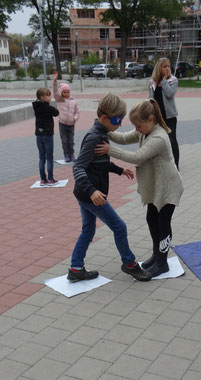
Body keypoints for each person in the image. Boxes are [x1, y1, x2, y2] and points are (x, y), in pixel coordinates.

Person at [95, 98, 184, 278]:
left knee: (163, 223)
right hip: (155, 187)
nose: (136, 129)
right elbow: (124, 137)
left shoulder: (158, 137)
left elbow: (137, 157)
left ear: (150, 120)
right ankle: (156, 255)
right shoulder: (144, 131)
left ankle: (163, 262)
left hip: (168, 188)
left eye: (138, 126)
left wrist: (109, 150)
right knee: (152, 219)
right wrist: (104, 128)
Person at [68, 93, 152, 283]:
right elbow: (78, 167)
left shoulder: (102, 134)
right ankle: (130, 264)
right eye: (117, 120)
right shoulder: (94, 137)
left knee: (88, 230)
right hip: (91, 194)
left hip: (86, 193)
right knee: (119, 226)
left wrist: (119, 170)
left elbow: (99, 162)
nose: (120, 124)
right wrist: (92, 191)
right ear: (104, 118)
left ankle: (76, 268)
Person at [149, 58, 180, 169]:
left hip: (169, 117)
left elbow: (170, 94)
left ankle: (175, 165)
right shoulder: (152, 82)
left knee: (172, 140)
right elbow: (150, 99)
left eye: (168, 66)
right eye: (164, 66)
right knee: (157, 140)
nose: (167, 68)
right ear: (159, 68)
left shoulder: (173, 80)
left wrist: (164, 81)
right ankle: (159, 163)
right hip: (157, 117)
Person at [32, 87, 59, 184]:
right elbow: (56, 112)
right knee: (49, 157)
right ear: (42, 97)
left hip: (39, 135)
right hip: (47, 134)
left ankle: (43, 179)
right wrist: (48, 105)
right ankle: (51, 177)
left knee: (41, 157)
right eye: (48, 95)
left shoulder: (35, 106)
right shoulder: (47, 107)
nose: (50, 97)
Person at [52, 71, 80, 163]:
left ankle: (71, 154)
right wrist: (55, 81)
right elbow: (55, 91)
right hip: (62, 124)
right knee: (64, 141)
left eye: (68, 92)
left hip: (71, 124)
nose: (66, 94)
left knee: (71, 141)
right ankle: (66, 155)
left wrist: (74, 118)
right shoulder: (60, 100)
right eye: (64, 92)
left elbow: (77, 112)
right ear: (62, 93)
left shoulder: (74, 101)